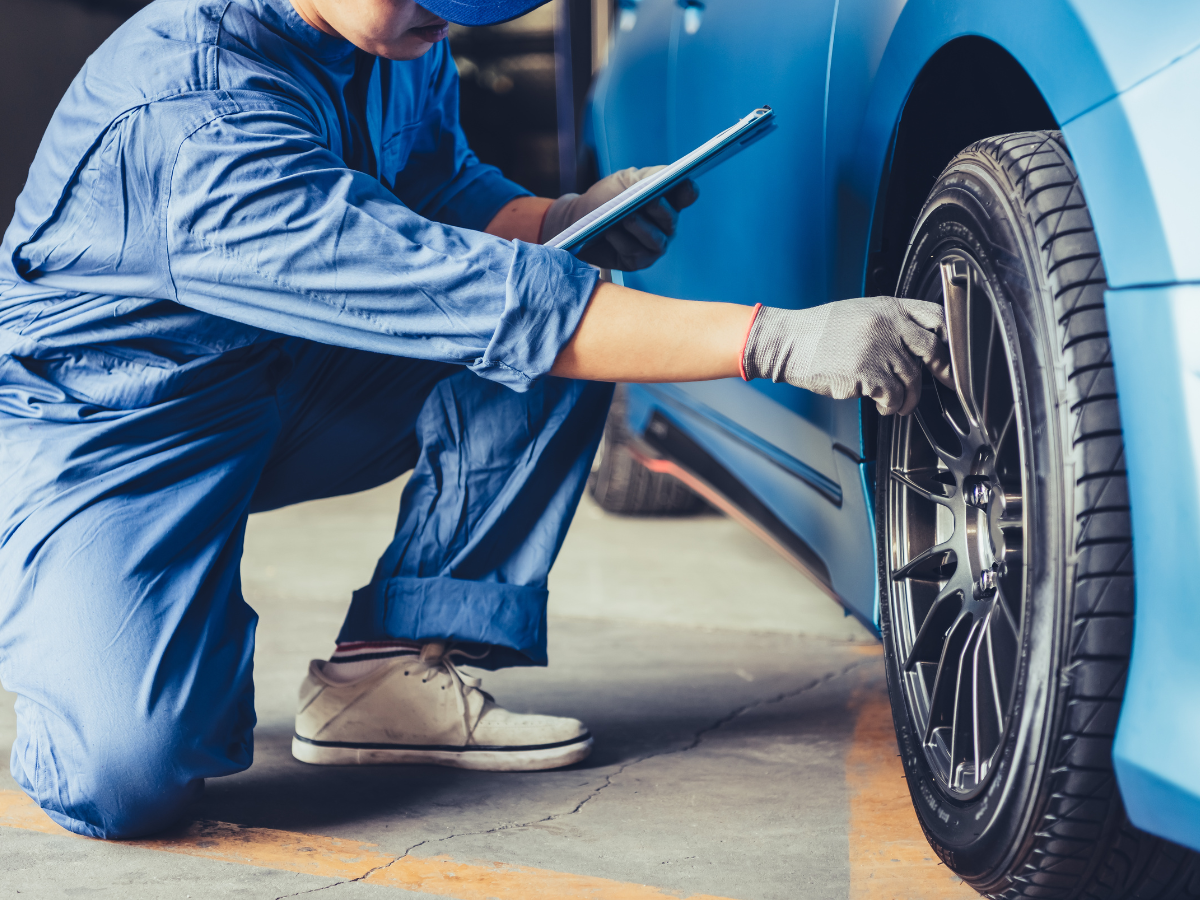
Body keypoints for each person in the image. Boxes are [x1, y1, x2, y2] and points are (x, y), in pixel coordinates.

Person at [0, 0, 950, 840]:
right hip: (117, 424)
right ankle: (55, 596)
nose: (447, 17)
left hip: (289, 372)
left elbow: (437, 193)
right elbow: (482, 300)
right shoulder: (195, 116)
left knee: (561, 297)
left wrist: (555, 216)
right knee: (127, 780)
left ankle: (388, 671)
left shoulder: (398, 35)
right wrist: (775, 340)